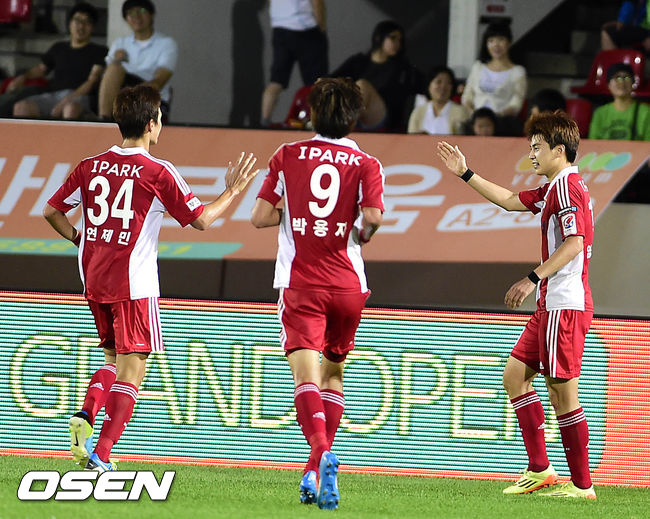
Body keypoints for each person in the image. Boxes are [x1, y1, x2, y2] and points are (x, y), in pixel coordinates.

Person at [43, 85, 258, 471]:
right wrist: (232, 191)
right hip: (134, 284)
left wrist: (79, 239)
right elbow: (202, 220)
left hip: (93, 279)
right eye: (159, 117)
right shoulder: (158, 172)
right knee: (134, 370)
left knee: (112, 360)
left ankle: (87, 414)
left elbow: (51, 211)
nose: (161, 123)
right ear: (149, 124)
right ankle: (101, 454)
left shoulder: (90, 166)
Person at [437, 110, 597, 500]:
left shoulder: (567, 188)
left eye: (537, 147)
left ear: (559, 150)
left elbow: (575, 243)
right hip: (550, 304)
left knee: (563, 393)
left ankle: (582, 486)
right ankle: (540, 469)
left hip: (564, 303)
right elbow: (510, 200)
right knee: (514, 377)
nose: (532, 154)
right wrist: (465, 173)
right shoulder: (555, 188)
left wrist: (532, 278)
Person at [251, 77, 384, 509]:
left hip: (301, 282)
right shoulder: (366, 162)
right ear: (353, 117)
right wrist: (361, 233)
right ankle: (312, 470)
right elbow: (372, 218)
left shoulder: (287, 155)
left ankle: (321, 453)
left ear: (312, 113)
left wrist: (295, 214)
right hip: (348, 285)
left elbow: (259, 216)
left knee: (306, 379)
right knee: (334, 376)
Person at [3, 2, 107, 119]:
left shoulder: (100, 51)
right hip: (54, 95)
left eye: (87, 22)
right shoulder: (58, 47)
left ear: (93, 27)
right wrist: (23, 77)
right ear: (70, 23)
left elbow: (92, 81)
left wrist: (65, 101)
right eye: (77, 20)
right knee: (21, 107)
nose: (81, 26)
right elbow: (41, 69)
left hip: (80, 97)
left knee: (70, 109)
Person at [330, 20, 425, 132]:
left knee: (362, 85)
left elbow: (424, 86)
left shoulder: (403, 68)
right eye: (393, 38)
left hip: (382, 117)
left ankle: (338, 126)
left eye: (399, 40)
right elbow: (332, 80)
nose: (397, 43)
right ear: (379, 38)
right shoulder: (358, 62)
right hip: (356, 113)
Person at [97, 0, 177, 120]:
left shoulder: (166, 43)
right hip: (121, 96)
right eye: (131, 13)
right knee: (113, 68)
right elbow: (107, 78)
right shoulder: (120, 43)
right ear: (126, 19)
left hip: (150, 96)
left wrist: (130, 100)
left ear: (152, 15)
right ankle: (104, 120)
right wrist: (116, 60)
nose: (137, 16)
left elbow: (159, 81)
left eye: (142, 11)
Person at [261, 0, 328, 126]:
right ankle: (320, 123)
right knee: (316, 84)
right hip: (306, 29)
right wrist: (322, 27)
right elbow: (317, 3)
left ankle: (265, 121)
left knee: (276, 81)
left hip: (280, 28)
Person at [461, 22, 526, 134]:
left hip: (503, 125)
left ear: (509, 42)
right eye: (491, 41)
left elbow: (516, 103)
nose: (496, 45)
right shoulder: (478, 67)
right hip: (476, 125)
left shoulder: (518, 71)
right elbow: (467, 95)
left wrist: (495, 118)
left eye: (501, 40)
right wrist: (473, 114)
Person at [588, 62, 650, 140]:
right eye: (617, 78)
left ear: (633, 83)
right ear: (608, 85)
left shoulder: (646, 112)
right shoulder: (600, 113)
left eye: (627, 78)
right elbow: (593, 143)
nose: (622, 82)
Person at [407, 66, 469, 135]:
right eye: (438, 82)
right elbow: (411, 137)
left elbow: (463, 138)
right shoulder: (418, 112)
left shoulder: (461, 112)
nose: (443, 87)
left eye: (448, 83)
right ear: (429, 85)